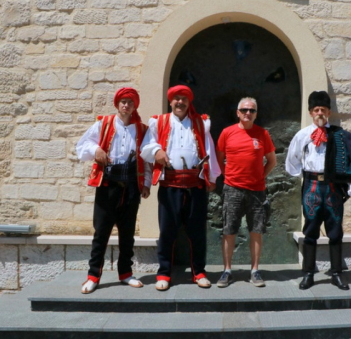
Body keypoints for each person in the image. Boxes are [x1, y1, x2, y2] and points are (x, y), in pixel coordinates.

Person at [140, 85, 220, 291]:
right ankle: (164, 273)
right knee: (167, 231)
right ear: (170, 101)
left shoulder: (201, 123)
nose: (180, 102)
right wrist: (157, 150)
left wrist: (211, 177)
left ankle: (199, 272)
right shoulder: (159, 122)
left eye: (184, 99)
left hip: (195, 184)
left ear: (189, 102)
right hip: (170, 185)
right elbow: (146, 146)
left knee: (197, 231)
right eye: (176, 99)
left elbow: (209, 148)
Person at [285, 91, 351, 290]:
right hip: (312, 186)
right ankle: (308, 274)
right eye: (316, 110)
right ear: (311, 112)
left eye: (323, 110)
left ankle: (337, 274)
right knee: (310, 230)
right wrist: (302, 175)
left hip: (332, 188)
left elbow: (350, 160)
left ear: (328, 112)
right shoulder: (302, 135)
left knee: (335, 230)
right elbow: (292, 159)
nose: (320, 113)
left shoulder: (340, 135)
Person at [76, 87, 151, 294]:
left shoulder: (142, 129)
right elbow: (82, 146)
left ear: (135, 105)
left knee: (127, 234)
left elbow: (146, 159)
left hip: (131, 188)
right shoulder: (104, 123)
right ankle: (93, 276)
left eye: (130, 102)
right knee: (101, 232)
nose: (126, 105)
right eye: (123, 101)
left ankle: (126, 273)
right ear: (117, 104)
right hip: (108, 186)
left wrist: (146, 183)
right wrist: (96, 150)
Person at [216, 97, 276, 288]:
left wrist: (261, 177)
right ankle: (226, 271)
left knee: (256, 231)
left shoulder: (263, 134)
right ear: (237, 112)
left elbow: (272, 161)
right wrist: (229, 177)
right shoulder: (227, 133)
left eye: (252, 110)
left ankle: (255, 270)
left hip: (257, 191)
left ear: (256, 114)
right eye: (244, 110)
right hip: (232, 189)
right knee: (229, 230)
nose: (247, 113)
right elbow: (219, 159)